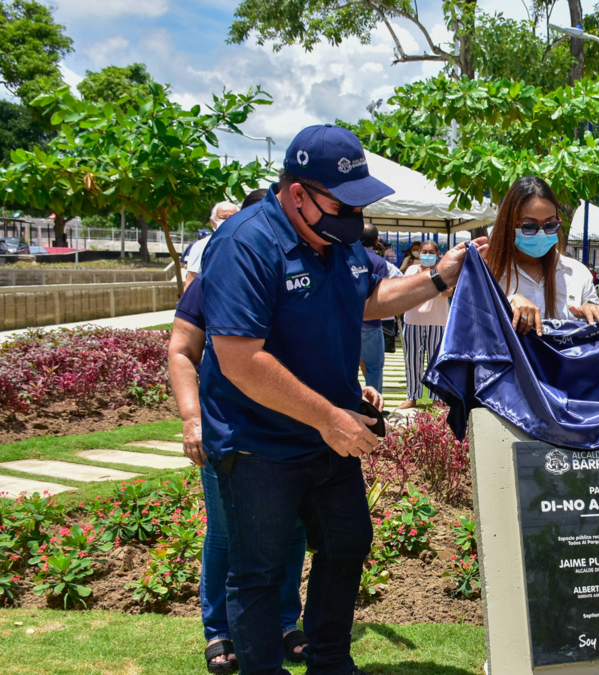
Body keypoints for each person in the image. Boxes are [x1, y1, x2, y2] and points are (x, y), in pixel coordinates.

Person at [199, 124, 484, 675]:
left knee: (347, 543)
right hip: (260, 443)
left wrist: (438, 278)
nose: (354, 217)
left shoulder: (338, 237)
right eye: (343, 204)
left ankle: (330, 661)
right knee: (259, 571)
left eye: (360, 204)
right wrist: (328, 416)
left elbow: (370, 298)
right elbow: (239, 359)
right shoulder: (244, 244)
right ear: (297, 193)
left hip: (330, 436)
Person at [169, 278, 329, 675]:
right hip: (231, 431)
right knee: (226, 533)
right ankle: (220, 630)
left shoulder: (304, 271)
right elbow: (182, 350)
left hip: (295, 432)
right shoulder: (217, 276)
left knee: (293, 531)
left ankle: (283, 622)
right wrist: (191, 418)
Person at [485, 176, 599, 335]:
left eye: (550, 225)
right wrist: (507, 303)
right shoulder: (489, 273)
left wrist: (591, 312)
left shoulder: (577, 273)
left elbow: (598, 337)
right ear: (509, 225)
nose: (541, 233)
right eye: (529, 226)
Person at [400, 241, 451, 408]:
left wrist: (432, 279)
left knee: (436, 362)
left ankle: (436, 398)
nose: (427, 255)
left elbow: (449, 291)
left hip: (437, 321)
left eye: (431, 252)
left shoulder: (444, 270)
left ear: (438, 254)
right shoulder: (411, 270)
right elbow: (405, 291)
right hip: (413, 321)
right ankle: (412, 396)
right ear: (419, 253)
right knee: (412, 361)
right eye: (424, 252)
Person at [359, 224, 392, 393]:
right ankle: (374, 403)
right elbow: (382, 293)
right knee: (374, 366)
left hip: (347, 320)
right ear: (377, 240)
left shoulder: (347, 257)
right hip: (371, 321)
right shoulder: (379, 262)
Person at [185, 201, 240, 290]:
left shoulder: (247, 244)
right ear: (213, 222)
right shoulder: (201, 246)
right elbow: (191, 281)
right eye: (223, 217)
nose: (228, 221)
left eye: (233, 217)